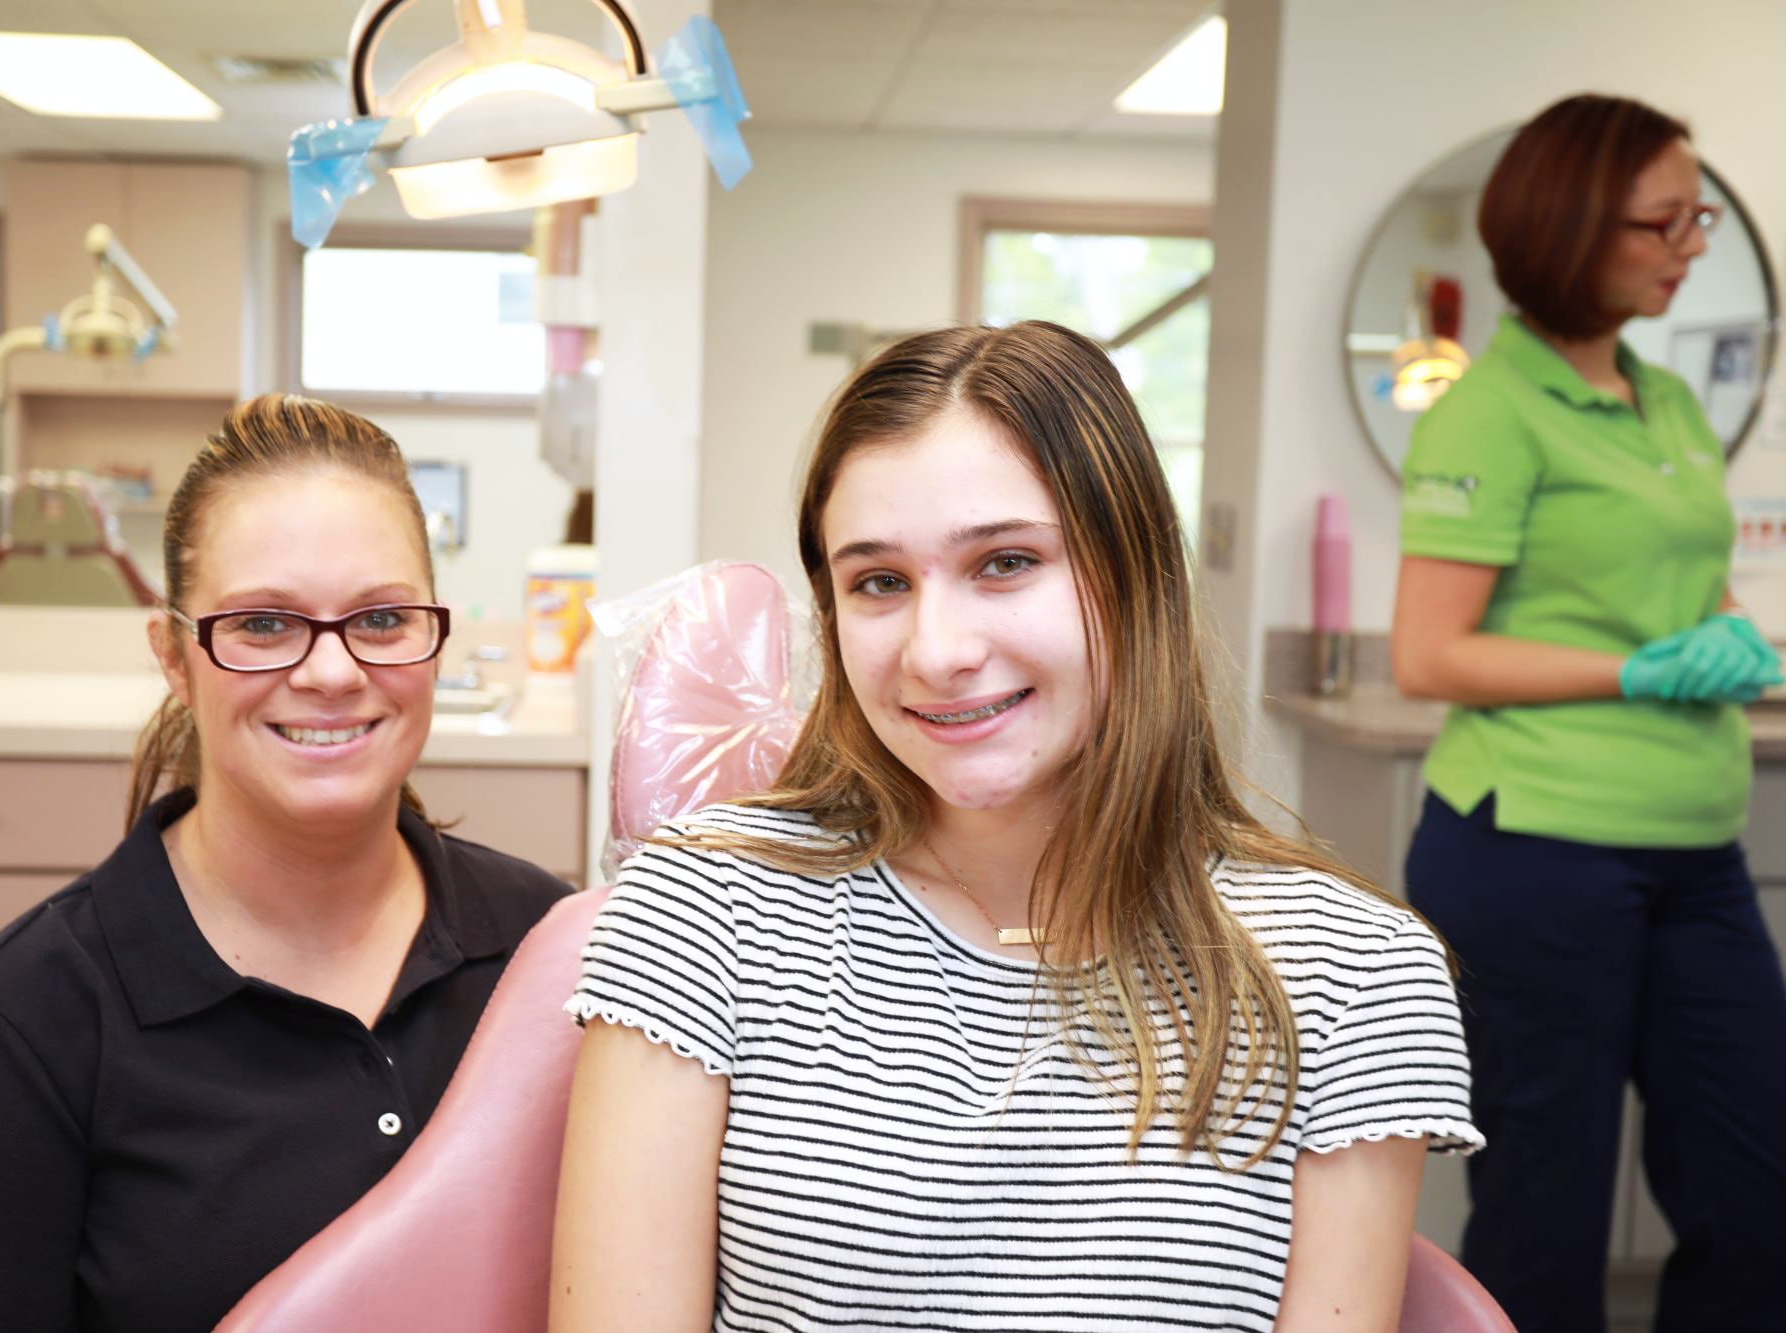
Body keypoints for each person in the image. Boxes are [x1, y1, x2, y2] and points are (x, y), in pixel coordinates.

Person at [552, 321, 1482, 1332]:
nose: (935, 648)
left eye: (1003, 562)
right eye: (878, 582)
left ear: (1133, 581)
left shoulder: (1353, 972)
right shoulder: (702, 912)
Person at [0, 395, 570, 1330]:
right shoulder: (19, 1028)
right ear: (175, 659)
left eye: (382, 618)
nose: (332, 672)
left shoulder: (548, 955)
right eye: (263, 625)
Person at [1392, 94, 1786, 1333]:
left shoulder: (1664, 403)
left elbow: (1674, 583)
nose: (1687, 246)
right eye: (1659, 222)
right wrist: (1634, 672)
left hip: (1692, 852)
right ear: (1569, 231)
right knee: (1543, 1209)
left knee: (1755, 1187)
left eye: (1696, 217)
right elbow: (1427, 652)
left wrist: (1732, 635)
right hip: (1534, 851)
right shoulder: (1484, 411)